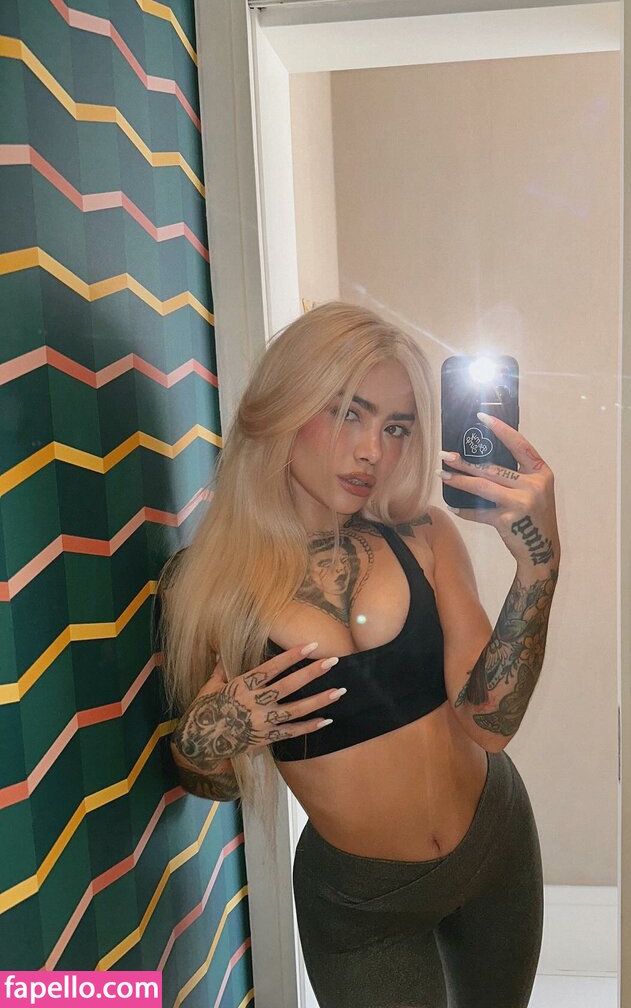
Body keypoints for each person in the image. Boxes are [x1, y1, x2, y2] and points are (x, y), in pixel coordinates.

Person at [155, 302, 560, 1008]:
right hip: (363, 909)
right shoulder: (208, 588)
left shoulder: (424, 535)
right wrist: (214, 733)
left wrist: (539, 566)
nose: (374, 450)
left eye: (396, 427)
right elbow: (209, 782)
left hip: (495, 847)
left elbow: (490, 725)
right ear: (285, 406)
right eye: (349, 413)